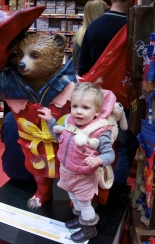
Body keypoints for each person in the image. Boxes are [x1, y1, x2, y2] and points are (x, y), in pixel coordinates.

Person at [37, 82, 117, 243]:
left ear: (98, 111)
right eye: (75, 106)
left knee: (84, 203)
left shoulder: (100, 131)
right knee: (73, 198)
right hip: (67, 172)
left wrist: (97, 159)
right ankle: (80, 220)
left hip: (83, 177)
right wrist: (51, 121)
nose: (78, 111)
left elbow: (110, 154)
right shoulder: (70, 122)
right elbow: (59, 137)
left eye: (85, 108)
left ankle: (89, 229)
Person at [78, 0, 139, 185]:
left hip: (97, 101)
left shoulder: (94, 27)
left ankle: (92, 191)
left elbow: (83, 70)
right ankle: (115, 194)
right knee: (123, 150)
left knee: (94, 147)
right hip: (126, 101)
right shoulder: (137, 28)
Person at [72, 0, 108, 74]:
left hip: (82, 80)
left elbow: (76, 64)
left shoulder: (80, 34)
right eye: (105, 10)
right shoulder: (99, 35)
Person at [1, 111, 33, 181]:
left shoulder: (9, 116)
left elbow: (6, 142)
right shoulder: (46, 117)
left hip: (11, 170)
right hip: (37, 175)